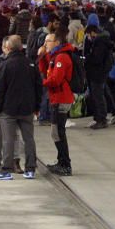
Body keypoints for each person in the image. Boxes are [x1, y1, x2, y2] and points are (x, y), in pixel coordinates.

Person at [0, 35, 41, 180]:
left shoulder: (5, 65)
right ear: (21, 47)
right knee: (29, 138)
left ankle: (6, 170)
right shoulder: (31, 64)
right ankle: (30, 169)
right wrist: (36, 106)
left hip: (9, 110)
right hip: (27, 109)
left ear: (8, 47)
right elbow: (38, 86)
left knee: (8, 139)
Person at [40, 28, 76, 176]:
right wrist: (42, 56)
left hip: (61, 98)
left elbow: (56, 79)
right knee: (57, 132)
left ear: (57, 42)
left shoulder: (61, 58)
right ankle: (61, 161)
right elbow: (44, 69)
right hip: (57, 97)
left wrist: (41, 83)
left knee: (58, 132)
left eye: (48, 41)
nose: (45, 44)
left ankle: (65, 164)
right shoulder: (55, 56)